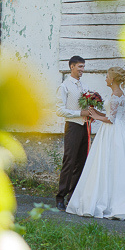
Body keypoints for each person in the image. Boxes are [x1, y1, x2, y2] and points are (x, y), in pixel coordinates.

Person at [66, 66, 125, 221]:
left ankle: (113, 201)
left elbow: (111, 120)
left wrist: (95, 116)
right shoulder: (117, 94)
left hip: (113, 131)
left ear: (113, 79)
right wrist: (95, 113)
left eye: (107, 76)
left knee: (111, 163)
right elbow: (110, 115)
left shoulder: (116, 95)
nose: (106, 79)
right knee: (112, 164)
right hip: (117, 130)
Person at [55, 56, 90, 211]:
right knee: (69, 162)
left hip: (84, 127)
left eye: (83, 67)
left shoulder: (82, 85)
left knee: (81, 162)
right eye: (80, 67)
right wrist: (79, 113)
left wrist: (89, 114)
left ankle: (73, 196)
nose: (82, 70)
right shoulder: (64, 86)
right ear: (72, 67)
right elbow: (59, 110)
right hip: (73, 127)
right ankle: (60, 197)